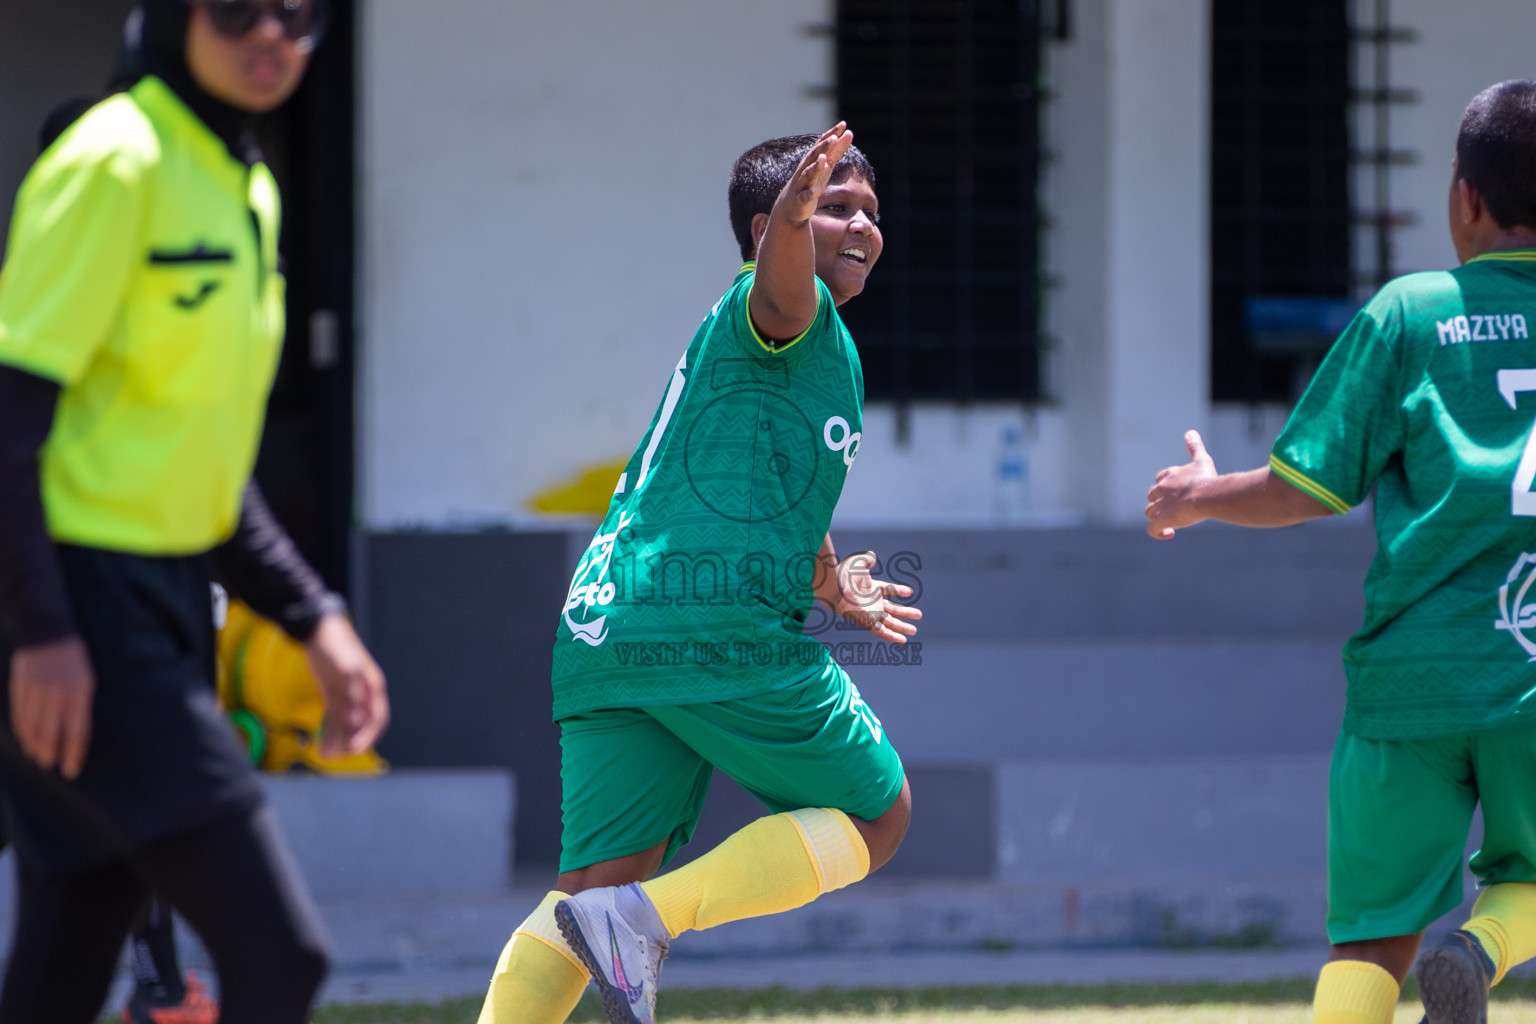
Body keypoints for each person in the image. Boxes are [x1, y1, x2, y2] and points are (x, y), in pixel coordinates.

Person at [478, 125, 920, 1024]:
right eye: (834, 206)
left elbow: (774, 481)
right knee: (880, 817)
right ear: (770, 231)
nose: (862, 224)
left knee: (587, 891)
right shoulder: (786, 311)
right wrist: (794, 230)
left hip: (609, 626)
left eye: (871, 211)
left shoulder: (783, 350)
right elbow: (783, 285)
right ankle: (648, 922)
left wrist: (826, 579)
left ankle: (617, 918)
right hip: (710, 628)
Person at [0, 1, 389, 1022]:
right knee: (281, 954)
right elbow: (6, 419)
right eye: (237, 8)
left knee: (68, 951)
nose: (272, 34)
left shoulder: (245, 183)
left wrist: (315, 615)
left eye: (299, 14)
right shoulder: (110, 161)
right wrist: (40, 627)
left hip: (166, 603)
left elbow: (208, 469)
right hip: (82, 613)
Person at [1145, 80, 1536, 1024]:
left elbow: (1303, 490)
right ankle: (1481, 951)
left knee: (1369, 934)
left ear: (1466, 197)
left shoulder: (1409, 312)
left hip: (1412, 679)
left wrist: (1196, 497)